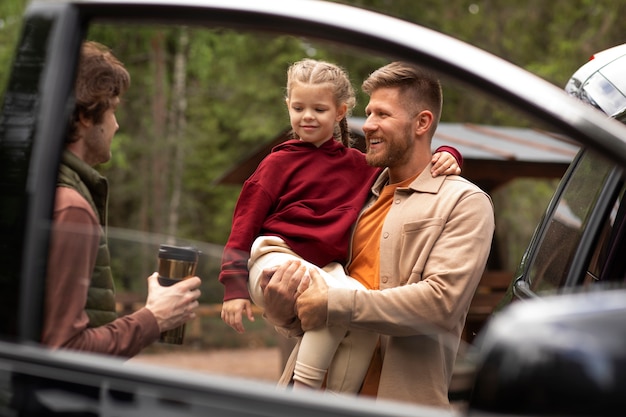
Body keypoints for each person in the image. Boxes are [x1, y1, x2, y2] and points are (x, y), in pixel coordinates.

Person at [218, 58, 463, 393]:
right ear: (287, 106)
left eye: (318, 109)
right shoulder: (276, 163)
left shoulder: (358, 165)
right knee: (339, 299)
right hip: (275, 256)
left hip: (324, 268)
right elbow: (243, 227)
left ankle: (337, 400)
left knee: (358, 312)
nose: (307, 116)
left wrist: (449, 153)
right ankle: (302, 393)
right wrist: (233, 289)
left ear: (340, 112)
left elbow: (410, 164)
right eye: (298, 107)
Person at [260, 61, 495, 408]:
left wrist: (333, 304)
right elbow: (314, 308)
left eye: (383, 114)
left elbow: (440, 304)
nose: (367, 125)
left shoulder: (463, 202)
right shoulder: (353, 195)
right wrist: (281, 310)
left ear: (422, 122)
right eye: (368, 112)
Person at [41, 41, 202, 357]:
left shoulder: (42, 186)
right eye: (113, 109)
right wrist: (153, 318)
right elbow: (65, 351)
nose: (116, 124)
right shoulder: (71, 207)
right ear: (87, 115)